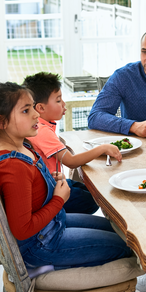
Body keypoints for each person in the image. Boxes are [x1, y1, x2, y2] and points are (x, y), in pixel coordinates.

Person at [0, 82, 133, 270]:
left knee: (124, 232)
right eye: (26, 111)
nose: (36, 114)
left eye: (33, 106)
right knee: (126, 247)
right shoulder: (13, 166)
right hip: (42, 243)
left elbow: (29, 189)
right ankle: (52, 268)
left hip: (54, 223)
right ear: (0, 122)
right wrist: (59, 199)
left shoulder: (20, 144)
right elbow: (22, 230)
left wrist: (47, 181)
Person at [23, 72, 123, 215]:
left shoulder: (41, 126)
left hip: (53, 181)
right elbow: (71, 161)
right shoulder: (42, 130)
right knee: (93, 199)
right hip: (49, 191)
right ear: (41, 108)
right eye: (58, 101)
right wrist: (102, 148)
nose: (64, 104)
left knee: (92, 190)